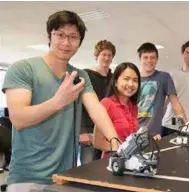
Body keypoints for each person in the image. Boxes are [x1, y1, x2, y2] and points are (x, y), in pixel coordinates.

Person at [2, 10, 119, 192]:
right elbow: (19, 118)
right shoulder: (23, 69)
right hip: (28, 177)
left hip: (64, 177)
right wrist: (58, 101)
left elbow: (96, 109)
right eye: (60, 35)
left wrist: (115, 141)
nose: (66, 42)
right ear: (50, 35)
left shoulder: (80, 76)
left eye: (73, 36)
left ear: (79, 42)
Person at [137, 42, 187, 137]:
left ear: (157, 59)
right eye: (145, 57)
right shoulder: (133, 79)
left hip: (154, 135)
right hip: (132, 133)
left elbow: (175, 104)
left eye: (152, 57)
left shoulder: (164, 77)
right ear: (140, 59)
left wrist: (187, 125)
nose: (149, 60)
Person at [80, 40, 116, 164]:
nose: (106, 58)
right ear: (96, 56)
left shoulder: (114, 79)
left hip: (107, 131)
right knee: (88, 168)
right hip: (89, 132)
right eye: (103, 54)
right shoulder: (85, 76)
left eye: (109, 55)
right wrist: (82, 131)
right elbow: (79, 105)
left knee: (106, 166)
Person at [99, 62, 141, 158]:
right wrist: (122, 148)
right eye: (126, 79)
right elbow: (98, 142)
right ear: (116, 82)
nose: (131, 84)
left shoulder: (134, 107)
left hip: (130, 160)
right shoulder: (106, 104)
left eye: (135, 80)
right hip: (112, 162)